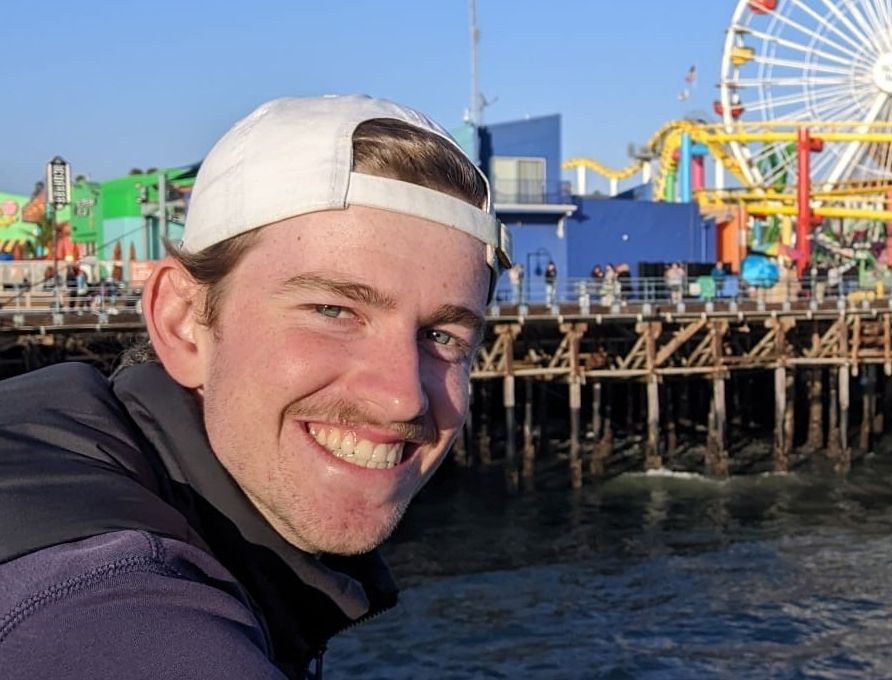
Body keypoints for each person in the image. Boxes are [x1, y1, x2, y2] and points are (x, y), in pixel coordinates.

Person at [0, 95, 511, 679]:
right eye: (332, 310)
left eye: (442, 336)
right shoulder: (101, 607)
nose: (403, 397)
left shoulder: (57, 446)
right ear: (182, 321)